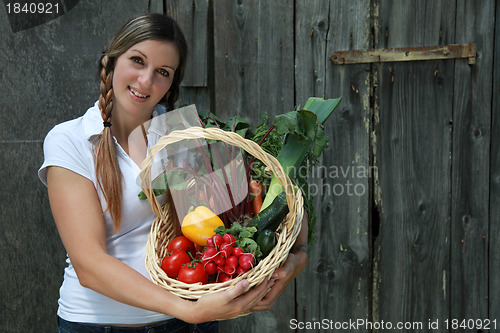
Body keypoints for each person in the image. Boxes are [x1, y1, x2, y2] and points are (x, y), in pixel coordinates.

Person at [39, 12, 308, 332]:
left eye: (162, 72)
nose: (145, 81)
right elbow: (89, 265)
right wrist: (187, 310)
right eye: (137, 60)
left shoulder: (182, 129)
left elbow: (234, 221)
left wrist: (295, 258)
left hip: (193, 319)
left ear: (171, 85)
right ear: (110, 62)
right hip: (103, 325)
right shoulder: (70, 139)